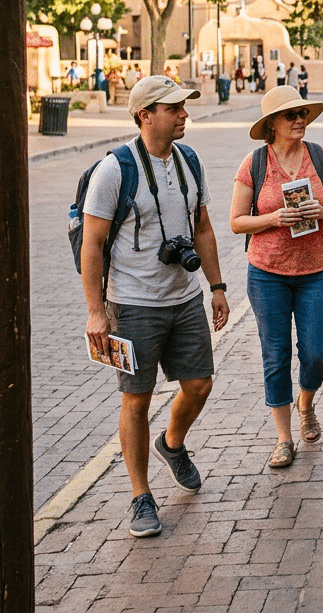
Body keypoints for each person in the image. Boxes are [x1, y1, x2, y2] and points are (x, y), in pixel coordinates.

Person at [81, 76, 229, 538]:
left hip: (184, 298)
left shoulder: (190, 160)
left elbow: (202, 227)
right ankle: (140, 497)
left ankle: (173, 443)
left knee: (200, 385)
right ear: (146, 115)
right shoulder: (114, 169)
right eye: (174, 108)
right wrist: (96, 311)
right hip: (133, 304)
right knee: (136, 399)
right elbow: (92, 243)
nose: (185, 114)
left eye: (184, 107)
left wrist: (217, 286)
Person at [229, 86, 323, 470]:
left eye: (302, 114)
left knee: (316, 352)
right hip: (267, 274)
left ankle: (306, 402)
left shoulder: (320, 157)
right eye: (290, 115)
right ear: (271, 125)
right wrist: (273, 219)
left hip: (315, 270)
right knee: (275, 355)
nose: (300, 120)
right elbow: (236, 222)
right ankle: (283, 437)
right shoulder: (254, 163)